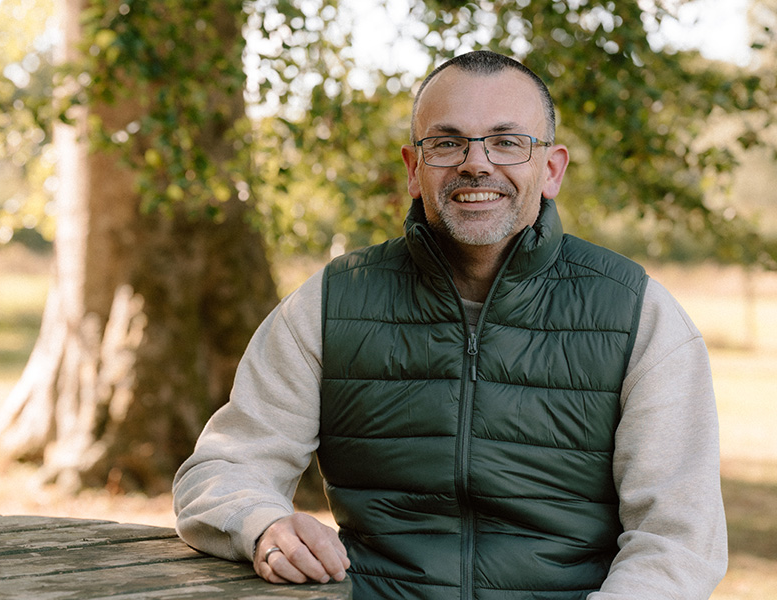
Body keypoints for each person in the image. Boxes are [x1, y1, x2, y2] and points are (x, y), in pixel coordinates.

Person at [173, 50, 727, 599]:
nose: (476, 163)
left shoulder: (639, 316)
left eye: (507, 141)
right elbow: (222, 469)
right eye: (447, 142)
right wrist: (264, 524)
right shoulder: (327, 305)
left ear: (551, 168)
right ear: (415, 170)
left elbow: (678, 541)